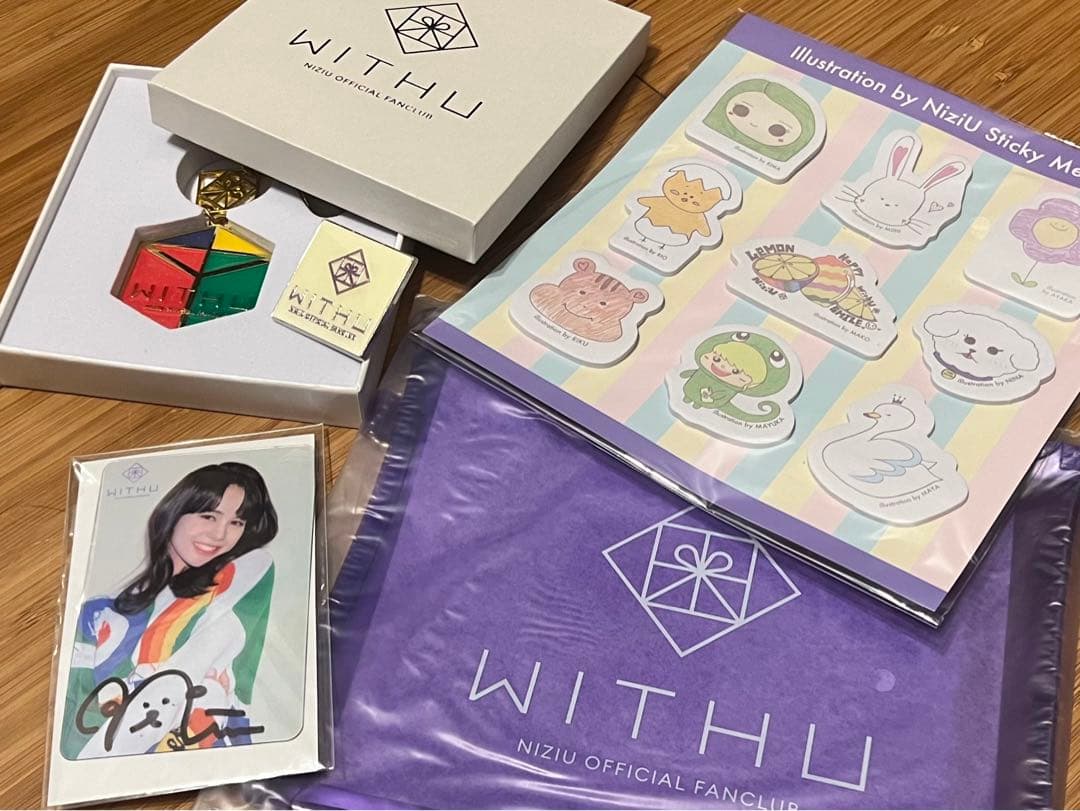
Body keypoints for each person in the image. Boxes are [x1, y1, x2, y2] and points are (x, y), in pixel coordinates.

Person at [61, 462, 278, 759]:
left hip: (208, 763)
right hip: (107, 763)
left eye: (236, 523)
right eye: (208, 516)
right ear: (175, 511)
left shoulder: (239, 583)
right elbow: (73, 714)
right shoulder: (97, 613)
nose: (220, 534)